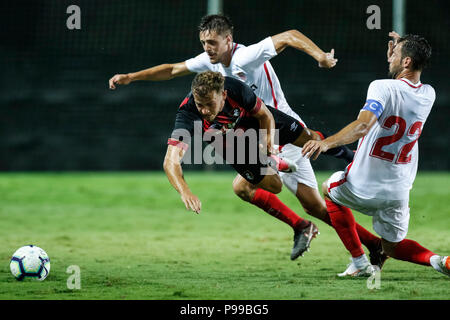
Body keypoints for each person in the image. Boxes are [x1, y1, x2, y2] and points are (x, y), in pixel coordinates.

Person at [109, 14, 384, 263]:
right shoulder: (208, 64)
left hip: (277, 129)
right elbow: (171, 69)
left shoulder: (246, 56)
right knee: (246, 188)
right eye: (204, 42)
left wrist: (320, 56)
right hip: (251, 133)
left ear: (228, 40)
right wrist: (131, 77)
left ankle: (357, 184)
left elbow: (289, 35)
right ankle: (314, 225)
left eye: (213, 42)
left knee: (313, 196)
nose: (207, 48)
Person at [302, 32, 449, 277]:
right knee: (391, 246)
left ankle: (359, 261)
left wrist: (326, 143)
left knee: (329, 188)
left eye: (396, 53)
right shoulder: (429, 94)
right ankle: (439, 261)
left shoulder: (381, 86)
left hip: (365, 185)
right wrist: (407, 45)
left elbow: (362, 125)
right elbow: (412, 69)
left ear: (406, 62)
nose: (389, 56)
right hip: (398, 191)